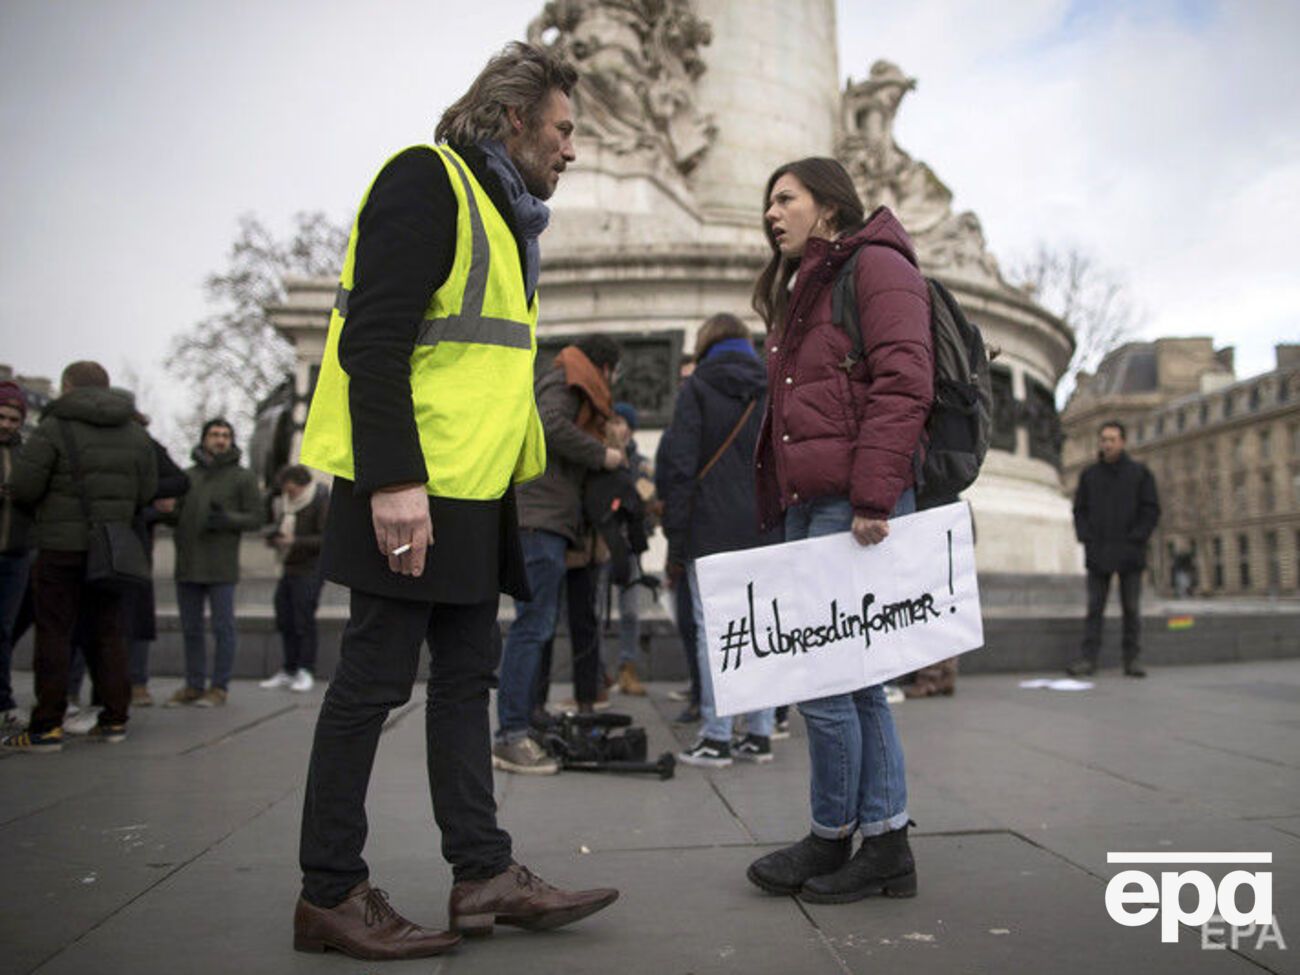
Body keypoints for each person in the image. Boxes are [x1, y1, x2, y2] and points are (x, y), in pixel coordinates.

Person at [293, 42, 618, 961]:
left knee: (465, 683)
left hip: (475, 495)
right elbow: (378, 339)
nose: (571, 149)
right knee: (372, 684)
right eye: (563, 130)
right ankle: (329, 892)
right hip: (412, 488)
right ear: (513, 117)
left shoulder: (508, 219)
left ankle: (483, 871)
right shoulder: (425, 180)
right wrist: (394, 481)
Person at [746, 158, 932, 903]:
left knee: (831, 682)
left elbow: (905, 378)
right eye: (768, 202)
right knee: (848, 682)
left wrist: (875, 495)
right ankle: (861, 837)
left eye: (785, 198)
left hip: (853, 506)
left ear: (828, 206)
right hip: (813, 503)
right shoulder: (808, 285)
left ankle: (858, 837)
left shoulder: (876, 266)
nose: (771, 212)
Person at [1, 362, 157, 752]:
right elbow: (147, 490)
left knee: (55, 633)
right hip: (110, 548)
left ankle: (47, 726)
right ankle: (115, 718)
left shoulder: (55, 427)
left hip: (60, 545)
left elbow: (24, 485)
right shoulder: (135, 434)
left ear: (68, 386)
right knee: (108, 632)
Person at [495, 333, 624, 772]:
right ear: (604, 367)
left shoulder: (569, 379)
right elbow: (549, 425)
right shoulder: (567, 379)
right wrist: (601, 455)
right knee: (532, 626)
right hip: (540, 519)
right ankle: (510, 733)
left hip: (547, 518)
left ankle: (527, 716)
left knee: (539, 624)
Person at [658, 313, 779, 767]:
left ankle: (716, 735)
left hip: (709, 527)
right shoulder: (771, 385)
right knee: (764, 628)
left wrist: (675, 539)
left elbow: (682, 468)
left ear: (705, 343)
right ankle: (760, 733)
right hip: (766, 526)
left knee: (716, 635)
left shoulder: (696, 388)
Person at [165, 418, 262, 708]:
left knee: (223, 628)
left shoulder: (242, 477)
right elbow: (176, 515)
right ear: (204, 439)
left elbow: (257, 517)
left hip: (221, 566)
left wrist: (228, 519)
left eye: (225, 435)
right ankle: (194, 685)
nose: (220, 440)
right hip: (188, 563)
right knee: (191, 628)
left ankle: (219, 687)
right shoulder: (188, 476)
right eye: (214, 434)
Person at [1067, 420, 1160, 678]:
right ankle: (1088, 659)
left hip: (1130, 552)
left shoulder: (1140, 474)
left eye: (1112, 439)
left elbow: (1151, 509)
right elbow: (1079, 511)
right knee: (1094, 608)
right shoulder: (1089, 476)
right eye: (1103, 439)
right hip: (1099, 552)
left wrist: (1137, 538)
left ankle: (1132, 659)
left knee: (1132, 608)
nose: (1107, 444)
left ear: (1123, 442)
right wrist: (1086, 538)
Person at [597, 401, 655, 696]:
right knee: (596, 610)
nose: (617, 427)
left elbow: (648, 499)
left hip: (629, 545)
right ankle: (597, 674)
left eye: (622, 422)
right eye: (613, 422)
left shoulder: (641, 464)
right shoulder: (601, 457)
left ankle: (627, 668)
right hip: (603, 543)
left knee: (630, 610)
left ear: (631, 429)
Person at [260, 465, 328, 693]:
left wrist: (294, 541)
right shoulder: (287, 505)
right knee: (285, 618)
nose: (289, 495)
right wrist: (274, 538)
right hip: (289, 567)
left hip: (310, 569)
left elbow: (326, 538)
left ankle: (305, 669)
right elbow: (280, 527)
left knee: (303, 619)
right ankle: (289, 668)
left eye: (291, 490)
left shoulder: (320, 500)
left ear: (301, 486)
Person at [0, 381, 34, 730]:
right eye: (2, 417)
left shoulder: (27, 454)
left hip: (16, 552)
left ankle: (3, 699)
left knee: (4, 629)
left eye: (13, 418)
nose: (7, 424)